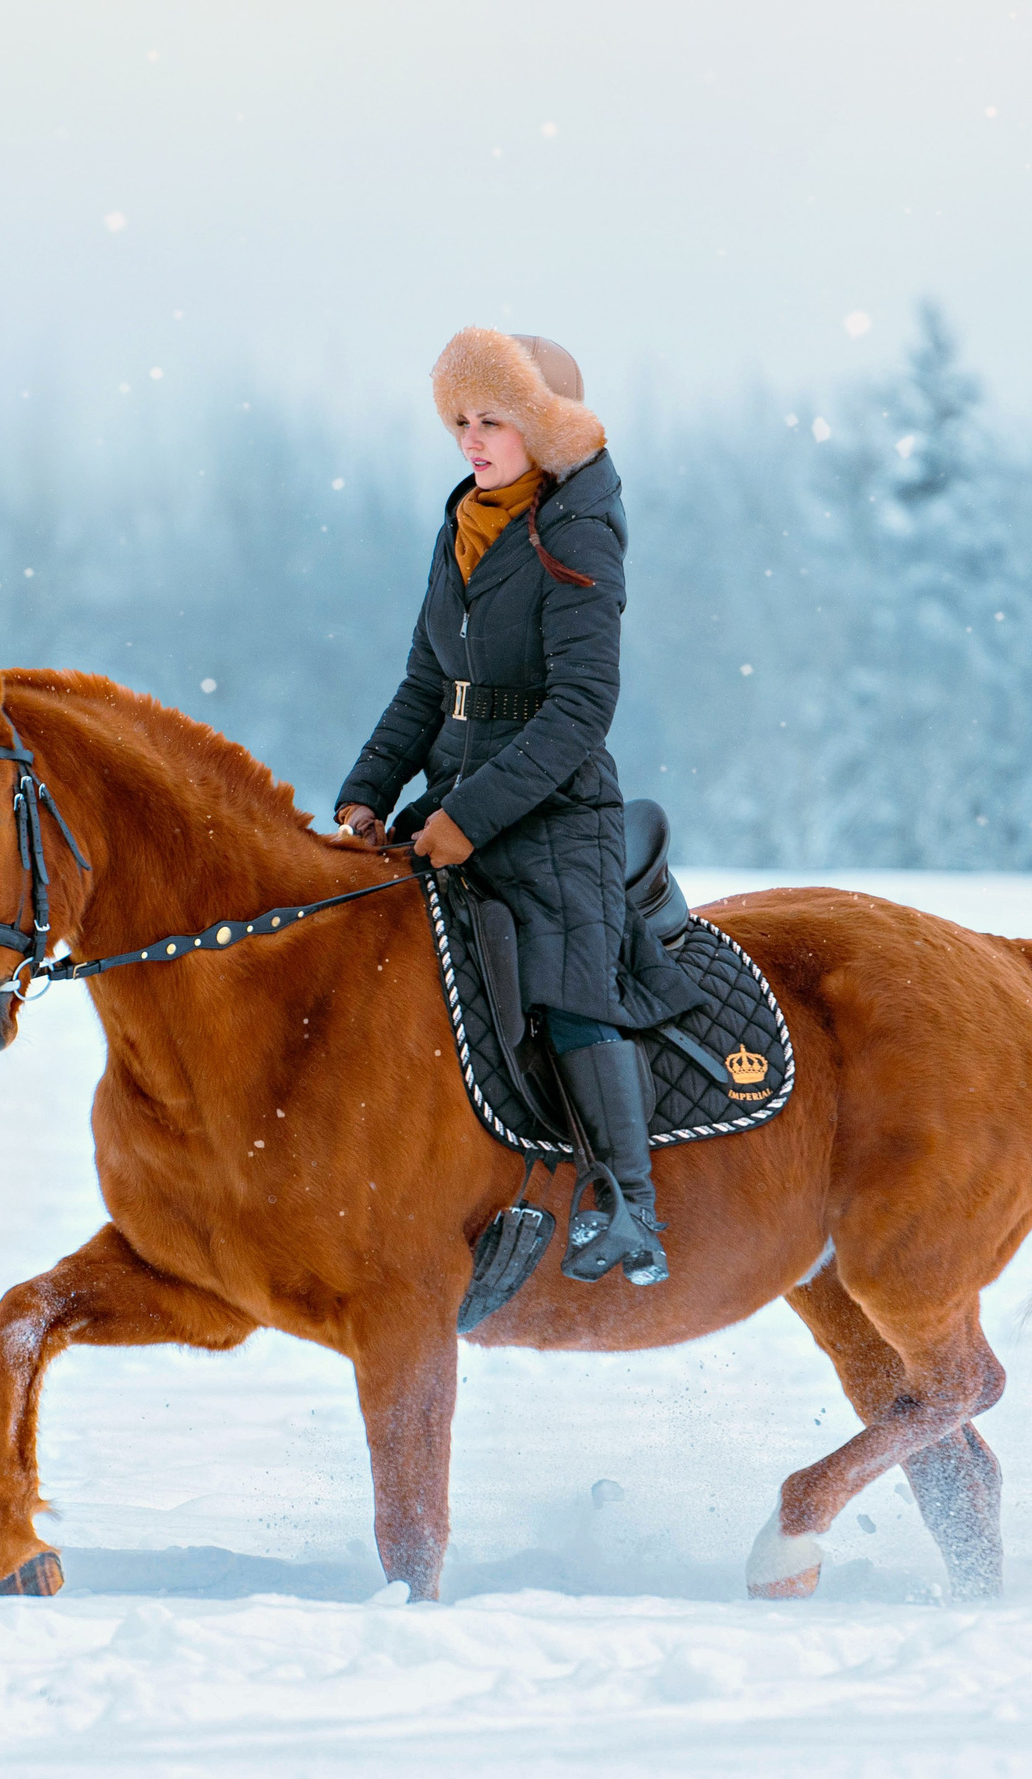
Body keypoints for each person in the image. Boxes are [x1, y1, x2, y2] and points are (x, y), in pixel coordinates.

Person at [334, 328, 705, 1286]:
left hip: (557, 807)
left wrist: (470, 817)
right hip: (456, 796)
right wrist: (369, 793)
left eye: (492, 418)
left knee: (563, 967)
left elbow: (581, 708)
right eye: (460, 419)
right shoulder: (463, 524)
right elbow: (427, 684)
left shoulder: (577, 533)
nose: (471, 438)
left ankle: (630, 1205)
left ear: (547, 426)